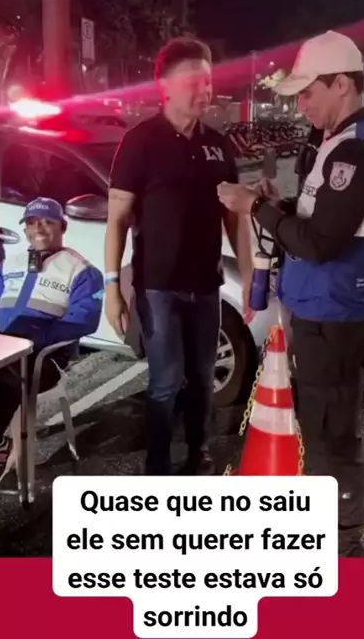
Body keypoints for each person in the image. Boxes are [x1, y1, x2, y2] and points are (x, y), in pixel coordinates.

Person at [217, 31, 364, 557]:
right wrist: (278, 204)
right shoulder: (338, 140)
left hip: (337, 314)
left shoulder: (357, 151)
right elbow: (319, 217)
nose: (301, 103)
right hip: (326, 309)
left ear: (343, 85)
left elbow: (318, 242)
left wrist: (253, 207)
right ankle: (335, 534)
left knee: (332, 436)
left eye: (309, 91)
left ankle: (344, 547)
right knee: (324, 426)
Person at [104, 37, 254, 476]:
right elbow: (116, 219)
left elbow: (234, 219)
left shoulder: (219, 145)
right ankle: (157, 465)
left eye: (208, 81)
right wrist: (113, 288)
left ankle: (198, 454)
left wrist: (250, 277)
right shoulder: (139, 142)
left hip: (206, 285)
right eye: (194, 82)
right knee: (166, 380)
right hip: (158, 286)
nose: (204, 91)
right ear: (165, 86)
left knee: (204, 377)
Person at [0, 197, 104, 482]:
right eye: (32, 223)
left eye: (47, 222)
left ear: (63, 226)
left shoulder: (82, 271)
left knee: (1, 380)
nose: (39, 229)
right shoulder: (10, 264)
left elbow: (85, 320)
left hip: (44, 357)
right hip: (4, 347)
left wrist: (37, 338)